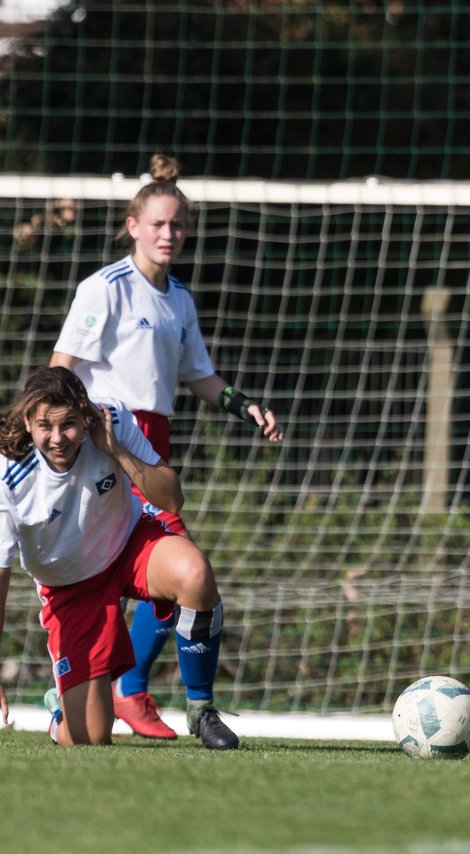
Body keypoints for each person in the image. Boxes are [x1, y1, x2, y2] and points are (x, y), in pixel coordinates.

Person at [49, 153, 282, 740]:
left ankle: (147, 696)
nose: (168, 234)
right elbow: (60, 367)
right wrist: (79, 432)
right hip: (105, 447)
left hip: (153, 446)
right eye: (157, 223)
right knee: (108, 574)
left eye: (178, 225)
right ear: (133, 225)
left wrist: (241, 404)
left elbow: (199, 376)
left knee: (179, 575)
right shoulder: (104, 289)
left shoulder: (179, 298)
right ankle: (101, 692)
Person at [0, 367, 238, 748]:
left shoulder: (112, 418)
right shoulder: (7, 474)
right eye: (45, 425)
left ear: (84, 414)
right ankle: (60, 712)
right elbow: (1, 573)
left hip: (129, 545)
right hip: (71, 588)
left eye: (69, 425)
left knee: (194, 573)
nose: (58, 438)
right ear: (27, 421)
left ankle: (201, 708)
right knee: (89, 738)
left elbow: (171, 499)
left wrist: (117, 450)